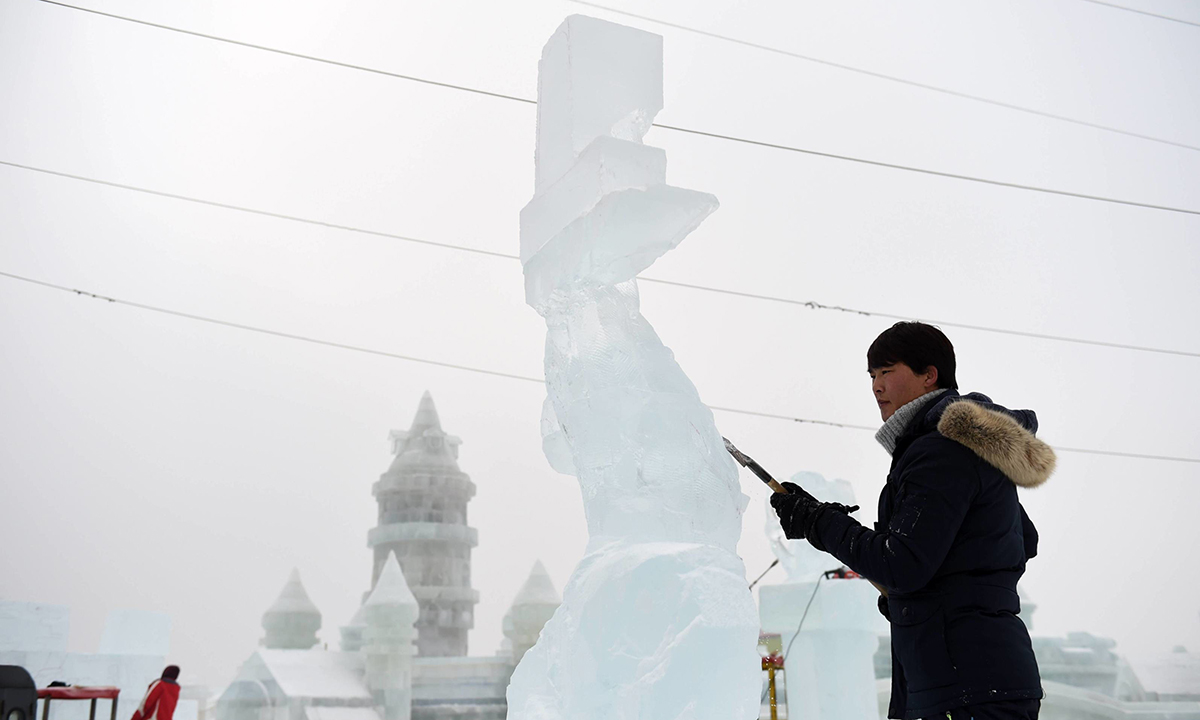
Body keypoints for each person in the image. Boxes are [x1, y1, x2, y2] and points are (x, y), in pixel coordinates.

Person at [771, 321, 1054, 720]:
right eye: (872, 375)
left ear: (929, 376)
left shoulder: (942, 451)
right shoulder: (957, 451)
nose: (876, 386)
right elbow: (1018, 542)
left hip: (965, 685)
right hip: (974, 680)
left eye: (887, 371)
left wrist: (820, 523)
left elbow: (902, 564)